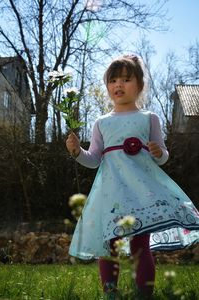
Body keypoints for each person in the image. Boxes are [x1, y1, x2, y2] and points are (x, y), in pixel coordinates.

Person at [66, 55, 199, 299]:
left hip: (142, 193)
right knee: (111, 244)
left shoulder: (149, 118)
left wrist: (159, 153)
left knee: (140, 244)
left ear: (139, 85)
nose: (119, 85)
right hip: (112, 193)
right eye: (113, 80)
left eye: (126, 79)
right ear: (107, 85)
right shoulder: (101, 123)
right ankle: (110, 293)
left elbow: (162, 156)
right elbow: (94, 158)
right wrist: (77, 152)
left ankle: (144, 293)